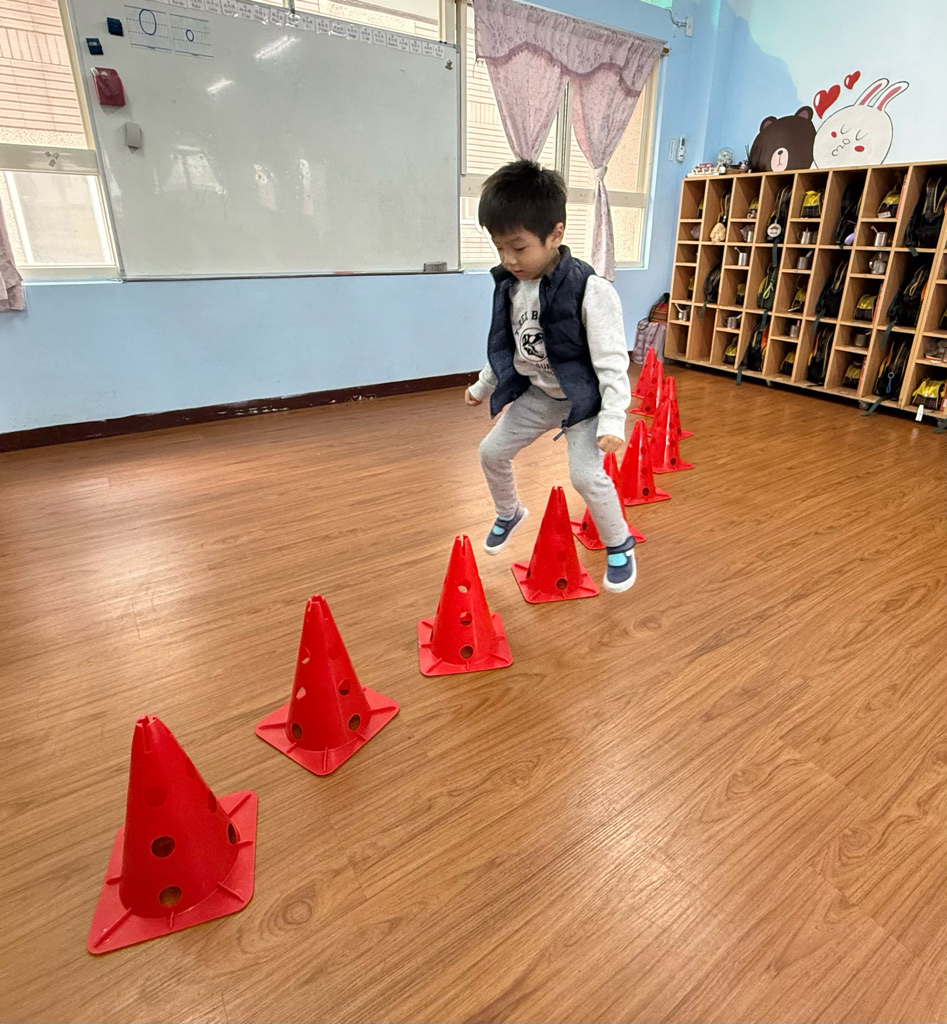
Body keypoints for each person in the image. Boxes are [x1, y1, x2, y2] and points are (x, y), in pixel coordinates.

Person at [465, 160, 636, 594]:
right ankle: (509, 513)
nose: (508, 259)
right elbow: (509, 344)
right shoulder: (511, 286)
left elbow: (612, 362)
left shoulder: (591, 290)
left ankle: (620, 543)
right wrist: (484, 385)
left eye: (519, 247)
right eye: (499, 247)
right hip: (540, 395)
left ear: (555, 234)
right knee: (490, 452)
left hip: (583, 401)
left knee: (585, 476)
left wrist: (613, 419)